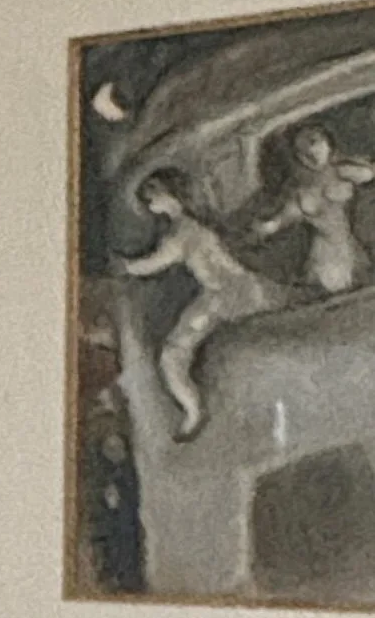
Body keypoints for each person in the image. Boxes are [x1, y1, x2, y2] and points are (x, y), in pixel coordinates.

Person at [118, 170, 284, 439]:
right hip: (236, 290)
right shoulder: (190, 226)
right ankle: (193, 410)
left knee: (172, 355)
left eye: (154, 193)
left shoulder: (184, 232)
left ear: (172, 194)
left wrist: (126, 266)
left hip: (225, 297)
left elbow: (152, 264)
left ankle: (193, 411)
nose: (150, 201)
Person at [249, 122, 375, 295]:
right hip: (325, 254)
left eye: (315, 142)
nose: (312, 152)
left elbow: (368, 174)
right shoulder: (300, 193)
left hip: (349, 247)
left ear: (328, 144)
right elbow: (283, 218)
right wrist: (268, 226)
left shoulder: (341, 171)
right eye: (302, 151)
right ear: (297, 157)